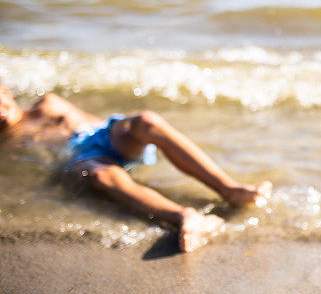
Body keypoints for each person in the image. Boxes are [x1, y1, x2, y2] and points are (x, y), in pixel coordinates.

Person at [0, 83, 272, 252]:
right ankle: (186, 217)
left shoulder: (48, 103)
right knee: (97, 173)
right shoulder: (6, 141)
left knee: (146, 121)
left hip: (102, 136)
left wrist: (127, 136)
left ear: (6, 90)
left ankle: (230, 190)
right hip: (79, 159)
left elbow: (98, 122)